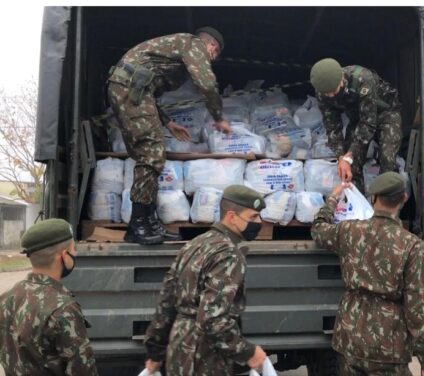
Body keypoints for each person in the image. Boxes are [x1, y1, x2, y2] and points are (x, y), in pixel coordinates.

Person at [108, 27, 231, 245]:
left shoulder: (177, 47)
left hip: (131, 89)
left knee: (149, 155)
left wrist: (168, 122)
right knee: (152, 154)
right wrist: (218, 116)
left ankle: (146, 221)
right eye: (215, 54)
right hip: (129, 88)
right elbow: (206, 83)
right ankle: (139, 224)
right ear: (212, 47)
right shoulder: (194, 45)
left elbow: (147, 92)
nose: (212, 58)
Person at [311, 172, 424, 376]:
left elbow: (318, 228)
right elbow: (417, 307)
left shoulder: (348, 231)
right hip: (387, 346)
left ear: (373, 198)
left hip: (349, 339)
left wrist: (333, 198)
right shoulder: (410, 245)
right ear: (404, 199)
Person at [143, 185, 268, 376]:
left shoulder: (194, 244)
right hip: (205, 356)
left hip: (179, 349)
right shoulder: (228, 253)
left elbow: (166, 302)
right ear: (232, 217)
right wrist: (247, 352)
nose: (259, 222)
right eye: (252, 217)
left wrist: (156, 352)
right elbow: (212, 318)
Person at [0, 219, 98, 375]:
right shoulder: (63, 308)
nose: (75, 254)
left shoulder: (7, 297)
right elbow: (82, 370)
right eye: (73, 249)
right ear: (64, 256)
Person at [310, 58, 401, 193]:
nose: (331, 95)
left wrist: (348, 156)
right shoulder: (323, 93)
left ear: (342, 78)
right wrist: (342, 157)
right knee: (350, 168)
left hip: (386, 114)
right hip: (358, 117)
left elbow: (368, 123)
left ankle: (387, 208)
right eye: (327, 94)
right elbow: (332, 127)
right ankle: (358, 209)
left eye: (334, 91)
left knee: (388, 160)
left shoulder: (362, 79)